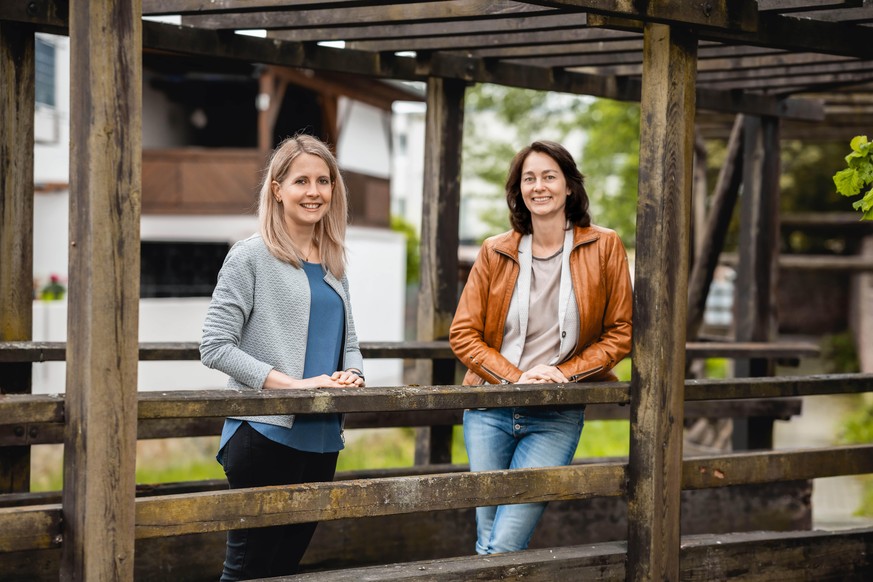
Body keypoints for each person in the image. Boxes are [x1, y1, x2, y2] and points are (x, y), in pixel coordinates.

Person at [449, 140, 633, 555]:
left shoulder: (604, 246)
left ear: (569, 186)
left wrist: (561, 374)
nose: (539, 186)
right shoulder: (495, 251)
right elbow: (463, 333)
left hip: (555, 414)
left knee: (505, 541)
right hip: (489, 408)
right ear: (518, 191)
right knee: (488, 538)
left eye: (549, 176)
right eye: (529, 178)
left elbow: (621, 332)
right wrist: (516, 378)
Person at [200, 134, 365, 580]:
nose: (314, 192)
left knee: (285, 571)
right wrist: (292, 385)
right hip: (264, 434)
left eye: (323, 181)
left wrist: (352, 373)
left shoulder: (333, 261)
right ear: (277, 189)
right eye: (301, 181)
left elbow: (349, 341)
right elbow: (214, 345)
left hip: (322, 437)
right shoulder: (249, 256)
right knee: (246, 572)